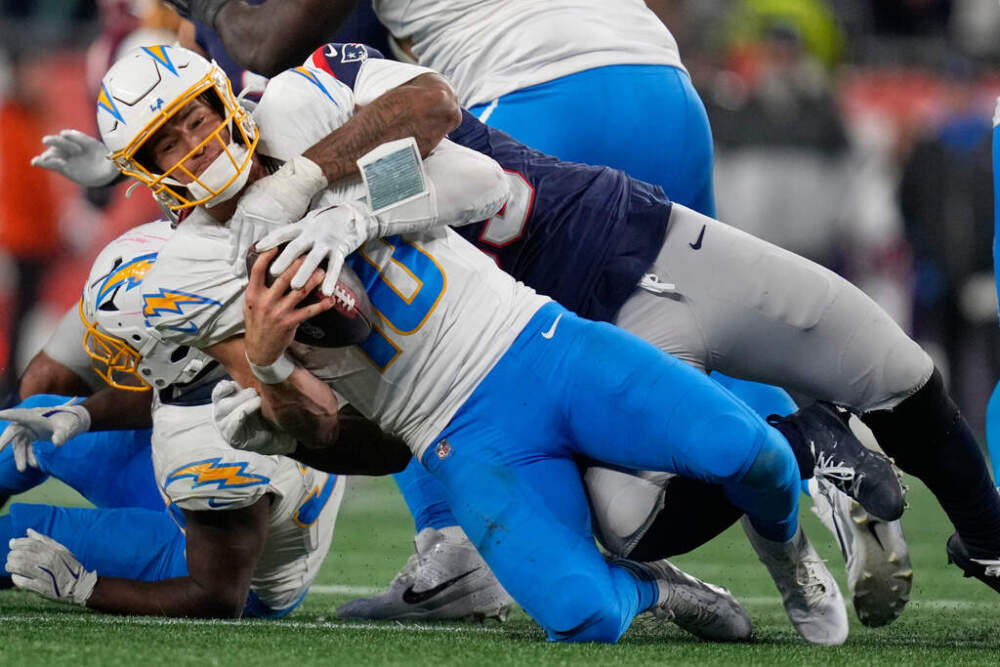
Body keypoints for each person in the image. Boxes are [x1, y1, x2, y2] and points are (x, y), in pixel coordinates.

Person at [0, 222, 359, 618]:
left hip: (208, 560)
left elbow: (216, 596)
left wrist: (85, 587)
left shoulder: (223, 441)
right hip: (202, 498)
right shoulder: (239, 359)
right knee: (27, 426)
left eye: (129, 341)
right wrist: (82, 414)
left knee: (20, 536)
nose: (119, 351)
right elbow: (179, 389)